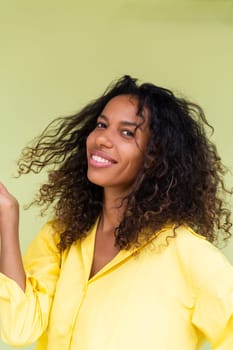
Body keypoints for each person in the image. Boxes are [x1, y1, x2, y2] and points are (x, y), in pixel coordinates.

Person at [0, 75, 232, 350]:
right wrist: (7, 215)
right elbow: (19, 328)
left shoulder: (186, 251)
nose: (102, 139)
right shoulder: (62, 235)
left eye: (127, 133)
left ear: (155, 156)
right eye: (101, 125)